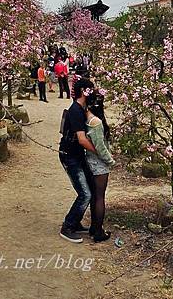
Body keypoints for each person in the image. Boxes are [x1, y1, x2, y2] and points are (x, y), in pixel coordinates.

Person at [58, 78, 98, 243]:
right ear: (84, 91)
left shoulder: (81, 108)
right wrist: (99, 152)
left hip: (77, 155)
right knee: (85, 194)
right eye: (91, 90)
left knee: (88, 190)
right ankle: (68, 226)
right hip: (70, 156)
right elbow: (81, 139)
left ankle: (75, 221)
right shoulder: (75, 110)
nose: (94, 93)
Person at [85, 90, 114, 242]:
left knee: (94, 196)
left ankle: (94, 228)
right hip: (98, 164)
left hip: (90, 161)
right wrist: (110, 161)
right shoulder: (96, 122)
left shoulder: (87, 117)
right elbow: (100, 147)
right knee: (99, 197)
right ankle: (98, 232)